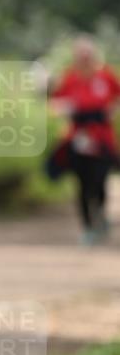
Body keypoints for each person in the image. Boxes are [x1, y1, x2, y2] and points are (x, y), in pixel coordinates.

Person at [47, 36, 120, 245]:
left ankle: (101, 213)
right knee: (82, 184)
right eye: (80, 56)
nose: (84, 60)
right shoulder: (69, 77)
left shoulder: (106, 76)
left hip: (102, 137)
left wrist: (112, 109)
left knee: (99, 181)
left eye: (87, 55)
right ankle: (88, 227)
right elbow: (54, 102)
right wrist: (64, 107)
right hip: (78, 137)